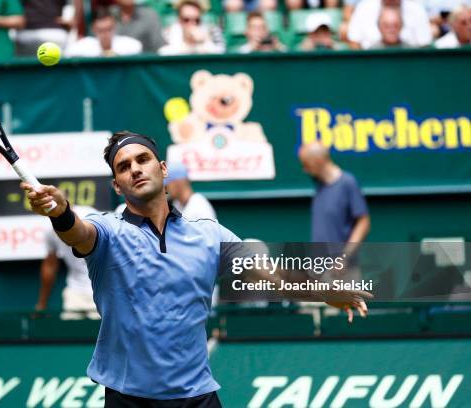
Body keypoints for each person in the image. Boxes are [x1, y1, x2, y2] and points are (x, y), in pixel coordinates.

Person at [21, 131, 371, 405]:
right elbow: (78, 233)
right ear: (117, 185)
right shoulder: (109, 231)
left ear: (162, 169)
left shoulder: (207, 233)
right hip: (128, 397)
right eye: (124, 167)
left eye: (143, 159)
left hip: (195, 395)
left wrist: (325, 293)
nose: (135, 168)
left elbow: (272, 275)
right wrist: (60, 211)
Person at [298, 141, 370, 252]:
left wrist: (344, 257)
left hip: (344, 267)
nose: (305, 170)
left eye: (306, 164)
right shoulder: (320, 187)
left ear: (318, 161)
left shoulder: (347, 182)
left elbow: (363, 223)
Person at [36, 205, 100, 320]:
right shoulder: (49, 229)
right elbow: (50, 265)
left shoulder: (91, 215)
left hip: (102, 290)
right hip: (75, 291)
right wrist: (42, 304)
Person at [346, 0, 432, 49]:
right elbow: (354, 42)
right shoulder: (364, 7)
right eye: (386, 26)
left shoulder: (417, 9)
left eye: (395, 25)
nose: (391, 30)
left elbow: (425, 45)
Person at [66, 7, 142, 56]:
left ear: (114, 27)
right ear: (93, 29)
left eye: (109, 29)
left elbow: (138, 47)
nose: (105, 34)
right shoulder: (83, 45)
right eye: (100, 30)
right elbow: (68, 54)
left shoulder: (129, 44)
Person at [159, 0, 225, 55]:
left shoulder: (212, 30)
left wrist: (205, 43)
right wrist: (188, 45)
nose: (192, 23)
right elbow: (161, 53)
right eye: (186, 20)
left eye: (197, 20)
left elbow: (222, 53)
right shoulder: (168, 32)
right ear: (179, 19)